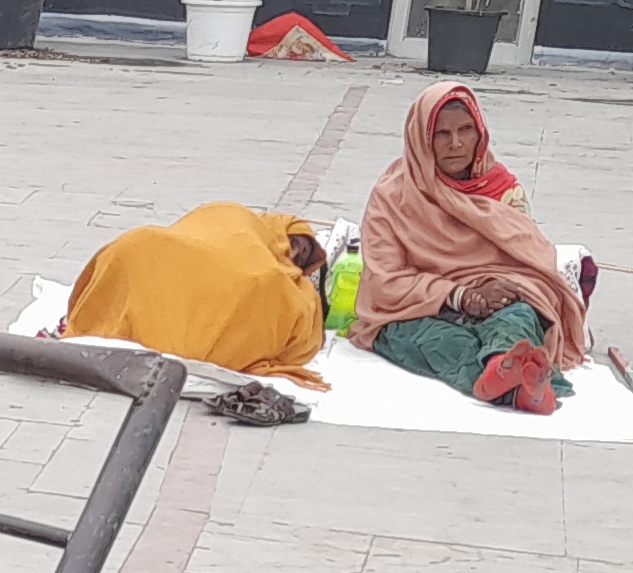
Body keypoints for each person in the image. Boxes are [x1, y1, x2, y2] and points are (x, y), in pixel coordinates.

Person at [350, 81, 593, 414]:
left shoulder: (503, 190)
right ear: (421, 138)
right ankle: (515, 385)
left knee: (520, 316)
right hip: (419, 310)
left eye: (466, 130)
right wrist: (460, 296)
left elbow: (533, 262)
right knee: (431, 341)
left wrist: (505, 292)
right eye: (441, 134)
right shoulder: (393, 195)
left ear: (481, 133)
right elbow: (384, 280)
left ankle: (503, 367)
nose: (456, 144)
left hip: (495, 304)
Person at [60, 203, 332, 389]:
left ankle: (185, 342)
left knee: (259, 283)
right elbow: (200, 226)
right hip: (166, 250)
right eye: (295, 243)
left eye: (303, 256)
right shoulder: (236, 216)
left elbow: (301, 330)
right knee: (137, 245)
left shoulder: (283, 283)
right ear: (277, 230)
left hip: (235, 286)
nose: (295, 253)